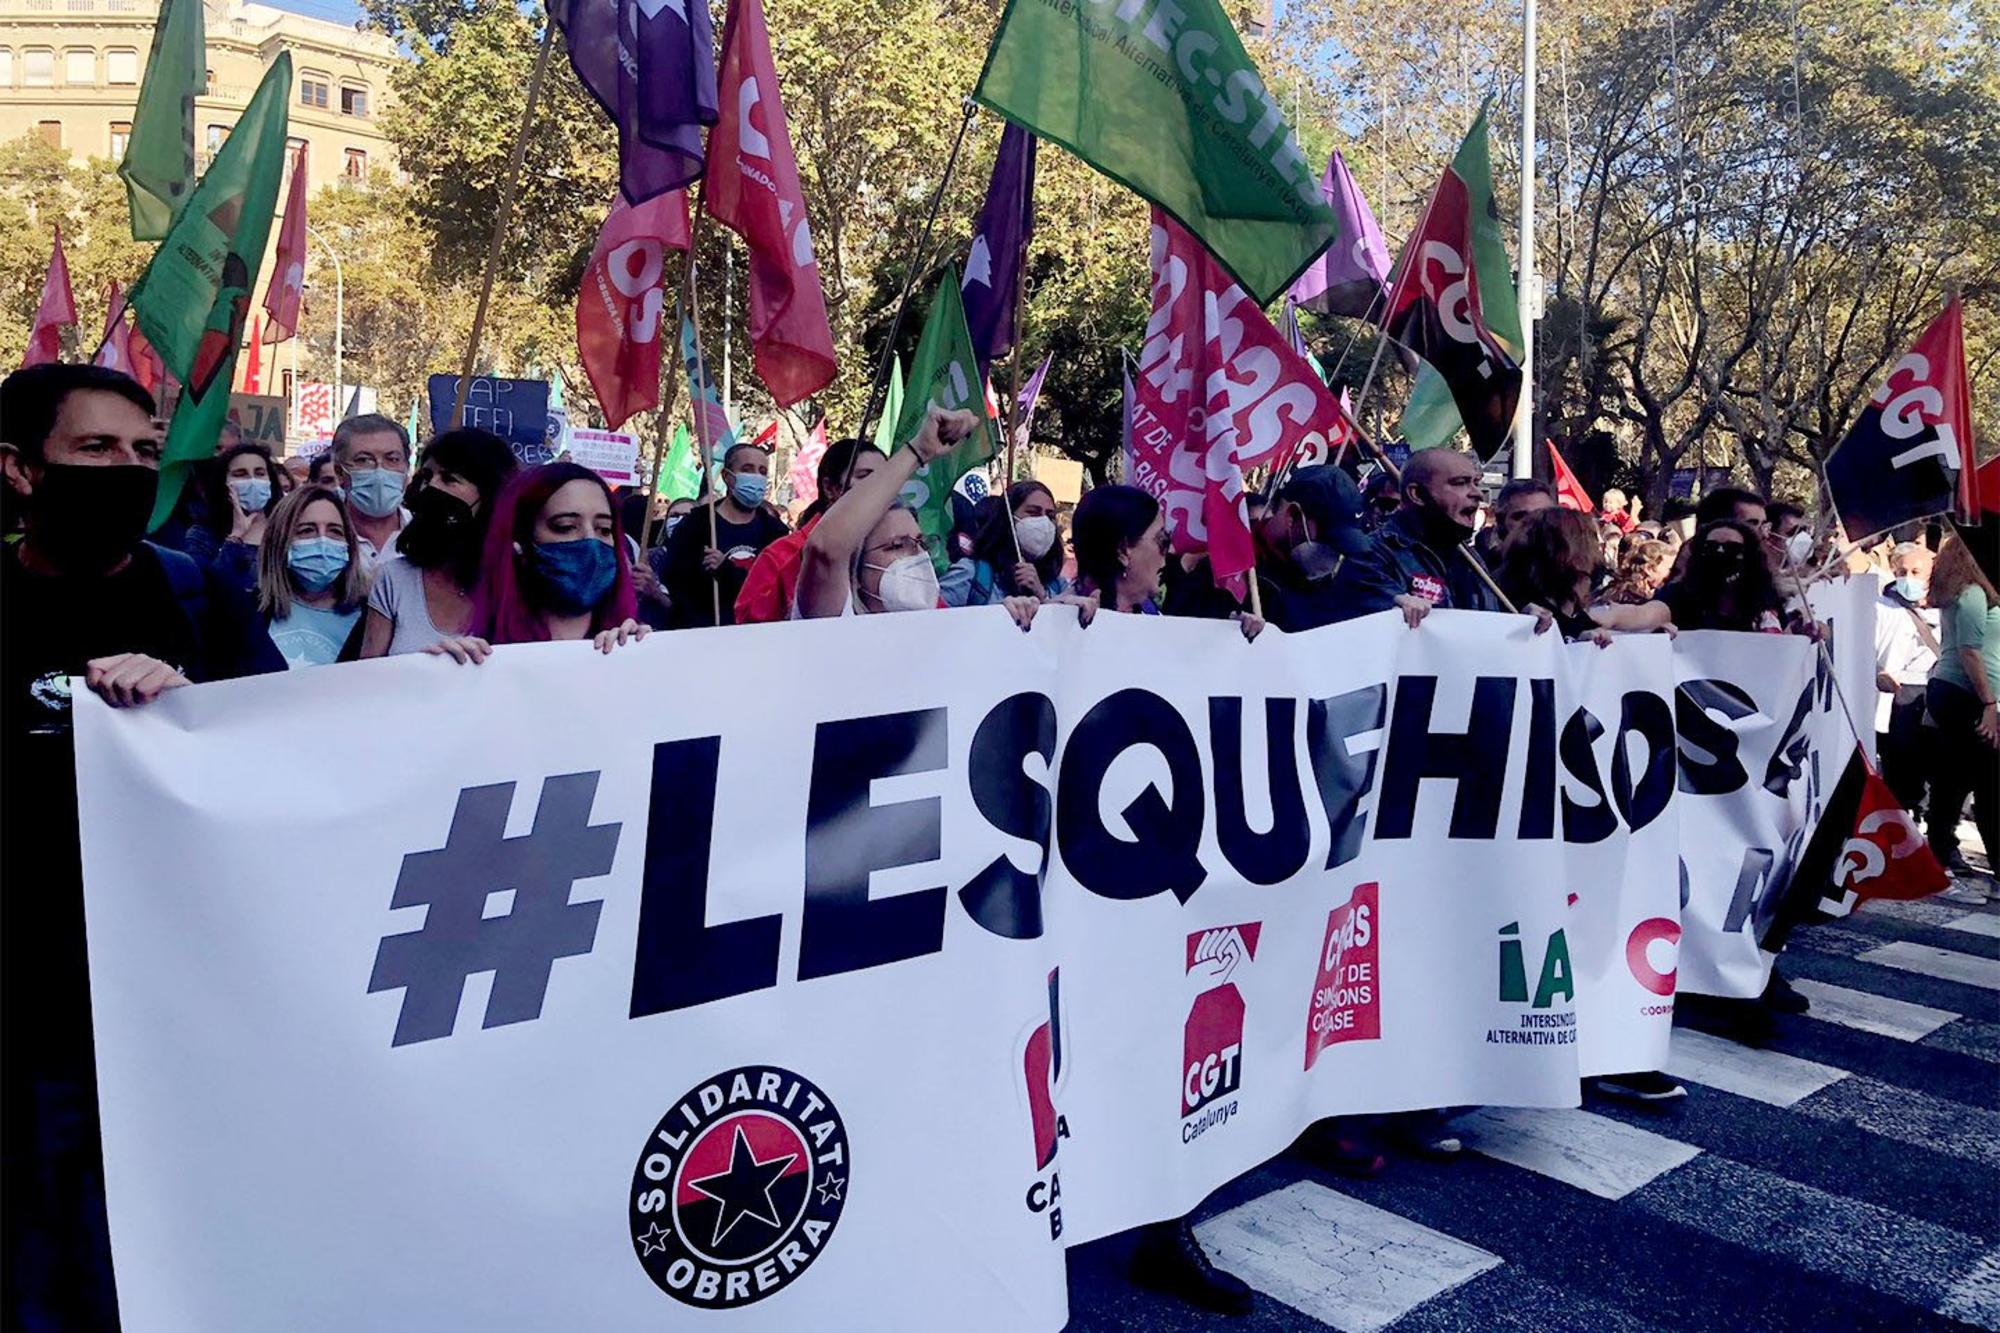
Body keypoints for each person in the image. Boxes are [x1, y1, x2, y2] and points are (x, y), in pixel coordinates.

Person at [0, 363, 284, 1330]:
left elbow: (300, 753)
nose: (128, 469)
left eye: (144, 451)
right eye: (95, 449)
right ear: (19, 470)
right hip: (26, 1031)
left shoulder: (199, 599)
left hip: (171, 1021)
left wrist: (190, 712)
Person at [795, 408, 1037, 627]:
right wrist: (919, 450)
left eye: (921, 543)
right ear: (854, 570)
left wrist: (1001, 621)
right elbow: (826, 547)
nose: (917, 556)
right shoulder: (834, 618)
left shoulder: (936, 626)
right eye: (897, 545)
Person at [423, 461, 647, 664]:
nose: (590, 540)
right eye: (565, 526)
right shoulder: (481, 659)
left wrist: (645, 658)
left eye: (604, 529)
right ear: (519, 542)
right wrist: (447, 676)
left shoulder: (639, 653)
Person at [358, 427, 518, 658]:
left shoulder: (521, 581)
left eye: (449, 479)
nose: (430, 487)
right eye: (426, 476)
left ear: (490, 497)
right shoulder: (395, 577)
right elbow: (366, 676)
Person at [737, 439, 886, 623]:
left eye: (886, 479)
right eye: (866, 477)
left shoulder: (899, 545)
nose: (880, 488)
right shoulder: (780, 556)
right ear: (830, 488)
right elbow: (749, 625)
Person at [1924, 536, 1999, 892]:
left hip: (1962, 694)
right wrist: (1989, 706)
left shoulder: (1967, 592)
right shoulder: (1971, 594)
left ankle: (1938, 850)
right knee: (1983, 781)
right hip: (1967, 696)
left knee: (1957, 779)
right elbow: (1970, 652)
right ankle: (1942, 851)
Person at [1344, 449, 1502, 611]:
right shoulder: (1372, 556)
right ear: (1417, 494)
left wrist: (1520, 625)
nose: (1477, 494)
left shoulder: (1471, 559)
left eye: (1476, 483)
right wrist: (1394, 602)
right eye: (1460, 483)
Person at [1498, 509, 1675, 644]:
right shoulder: (1523, 614)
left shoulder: (1576, 617)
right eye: (1591, 543)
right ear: (1572, 554)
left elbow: (1590, 633)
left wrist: (1651, 639)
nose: (1597, 554)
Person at [662, 441, 789, 627]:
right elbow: (675, 581)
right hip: (702, 635)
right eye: (748, 469)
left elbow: (774, 590)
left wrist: (725, 571)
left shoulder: (775, 531)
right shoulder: (697, 524)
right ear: (727, 477)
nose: (756, 477)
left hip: (757, 636)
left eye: (762, 471)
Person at [256, 482, 370, 668]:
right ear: (280, 542)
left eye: (335, 531)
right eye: (307, 530)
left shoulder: (372, 616)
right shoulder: (250, 613)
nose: (323, 541)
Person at [1874, 541, 1939, 826]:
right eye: (1903, 571)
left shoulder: (1946, 606)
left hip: (1934, 690)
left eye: (1916, 571)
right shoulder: (1882, 606)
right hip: (1898, 691)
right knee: (1899, 757)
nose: (1909, 578)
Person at [942, 480, 1071, 606]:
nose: (1043, 521)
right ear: (1008, 519)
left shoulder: (1059, 586)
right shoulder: (970, 575)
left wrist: (1043, 596)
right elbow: (929, 619)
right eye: (1032, 512)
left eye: (1050, 515)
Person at [1651, 520, 1789, 632]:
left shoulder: (1765, 600)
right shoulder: (1677, 595)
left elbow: (1786, 645)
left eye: (1732, 549)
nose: (1721, 552)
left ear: (1749, 557)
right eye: (1711, 548)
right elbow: (1644, 614)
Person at [183, 440, 283, 593]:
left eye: (260, 473)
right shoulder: (202, 536)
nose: (252, 481)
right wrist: (236, 538)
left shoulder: (286, 529)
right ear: (224, 483)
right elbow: (202, 588)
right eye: (240, 474)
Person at [330, 413, 414, 570]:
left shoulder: (428, 537)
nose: (380, 472)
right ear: (339, 472)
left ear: (406, 468)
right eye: (363, 460)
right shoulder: (320, 539)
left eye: (392, 459)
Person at [1486, 477, 1555, 558]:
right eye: (1522, 517)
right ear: (1501, 520)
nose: (1533, 524)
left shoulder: (1568, 566)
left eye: (1543, 515)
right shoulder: (1479, 566)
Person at [1604, 538, 1675, 605]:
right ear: (1649, 568)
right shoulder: (1632, 602)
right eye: (1670, 569)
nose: (1675, 574)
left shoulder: (1617, 592)